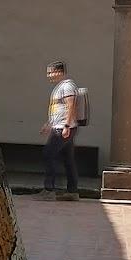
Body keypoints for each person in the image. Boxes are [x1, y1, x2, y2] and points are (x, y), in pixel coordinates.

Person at [41, 60, 80, 199]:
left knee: (48, 154)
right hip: (60, 126)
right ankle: (72, 191)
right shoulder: (59, 87)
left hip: (63, 128)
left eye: (50, 72)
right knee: (68, 159)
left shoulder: (67, 86)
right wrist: (49, 124)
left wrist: (67, 126)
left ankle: (49, 189)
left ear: (59, 72)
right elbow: (58, 109)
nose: (48, 75)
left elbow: (71, 106)